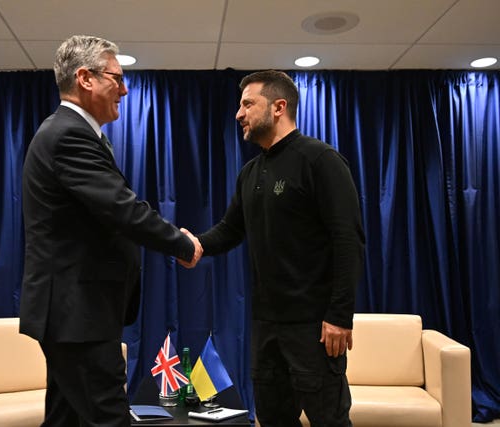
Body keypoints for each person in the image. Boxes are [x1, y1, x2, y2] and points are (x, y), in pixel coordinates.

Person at [20, 35, 202, 427]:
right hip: (76, 314)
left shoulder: (73, 132)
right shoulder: (69, 133)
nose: (124, 88)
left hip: (75, 313)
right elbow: (122, 208)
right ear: (85, 78)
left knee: (65, 418)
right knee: (109, 418)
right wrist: (181, 243)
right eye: (116, 78)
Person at [181, 70, 365, 427]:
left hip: (314, 327)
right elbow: (231, 229)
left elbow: (348, 239)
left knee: (329, 419)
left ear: (279, 107)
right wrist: (196, 245)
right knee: (272, 417)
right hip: (266, 325)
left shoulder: (320, 160)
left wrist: (340, 315)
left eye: (248, 104)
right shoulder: (251, 172)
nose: (239, 114)